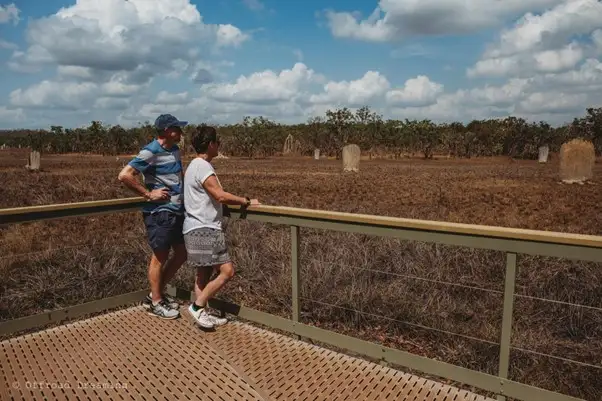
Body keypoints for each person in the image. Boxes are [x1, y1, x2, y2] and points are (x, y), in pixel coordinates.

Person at [183, 125, 260, 329]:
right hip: (205, 227)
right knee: (227, 271)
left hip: (193, 225)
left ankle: (203, 314)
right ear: (210, 144)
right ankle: (198, 307)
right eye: (218, 142)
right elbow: (219, 195)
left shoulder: (192, 166)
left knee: (203, 274)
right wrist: (245, 201)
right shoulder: (203, 167)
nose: (219, 145)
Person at [117, 114, 188, 320]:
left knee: (182, 253)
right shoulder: (151, 151)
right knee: (159, 257)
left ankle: (155, 295)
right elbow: (124, 175)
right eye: (177, 128)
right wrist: (148, 194)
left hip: (176, 211)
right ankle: (156, 302)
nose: (181, 132)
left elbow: (178, 177)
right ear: (167, 131)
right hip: (160, 214)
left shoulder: (174, 150)